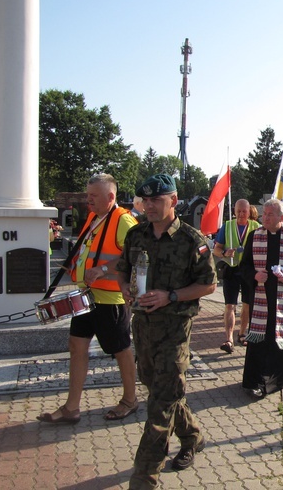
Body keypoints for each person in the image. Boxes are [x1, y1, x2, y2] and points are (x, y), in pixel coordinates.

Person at [116, 174, 216, 488]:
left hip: (175, 329)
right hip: (143, 327)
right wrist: (126, 291)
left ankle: (144, 476)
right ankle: (192, 436)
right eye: (145, 201)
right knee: (164, 391)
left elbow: (209, 284)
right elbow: (123, 270)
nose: (149, 206)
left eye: (156, 200)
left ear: (173, 201)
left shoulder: (191, 239)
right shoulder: (136, 234)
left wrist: (170, 296)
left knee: (159, 405)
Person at [37, 174, 138, 425]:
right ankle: (72, 408)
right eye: (87, 195)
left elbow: (136, 257)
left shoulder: (123, 220)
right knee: (76, 345)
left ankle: (130, 399)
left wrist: (103, 270)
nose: (88, 200)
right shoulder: (94, 217)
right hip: (85, 298)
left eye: (93, 196)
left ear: (110, 197)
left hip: (110, 300)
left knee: (121, 349)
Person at [240, 199, 283, 398]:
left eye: (270, 214)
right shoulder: (255, 236)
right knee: (259, 341)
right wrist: (254, 275)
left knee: (280, 340)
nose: (265, 218)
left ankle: (277, 379)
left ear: (282, 217)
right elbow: (243, 266)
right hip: (260, 298)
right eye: (264, 214)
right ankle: (254, 381)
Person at [213, 199, 259, 352]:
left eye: (244, 211)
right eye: (238, 211)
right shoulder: (227, 226)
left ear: (249, 211)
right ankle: (228, 339)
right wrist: (225, 252)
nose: (241, 214)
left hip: (248, 270)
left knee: (247, 304)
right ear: (234, 211)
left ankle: (242, 333)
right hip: (231, 269)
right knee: (230, 305)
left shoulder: (256, 227)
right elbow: (216, 249)